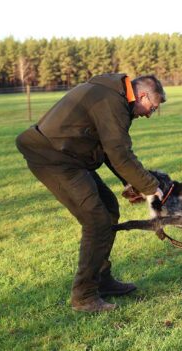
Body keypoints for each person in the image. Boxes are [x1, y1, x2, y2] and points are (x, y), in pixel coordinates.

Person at [16, 73, 166, 313]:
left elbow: (109, 149)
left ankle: (102, 280)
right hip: (52, 157)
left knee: (109, 208)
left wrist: (131, 182)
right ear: (142, 95)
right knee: (96, 220)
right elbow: (119, 152)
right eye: (152, 107)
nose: (149, 114)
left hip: (70, 157)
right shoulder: (112, 99)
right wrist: (150, 187)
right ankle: (84, 296)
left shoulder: (114, 96)